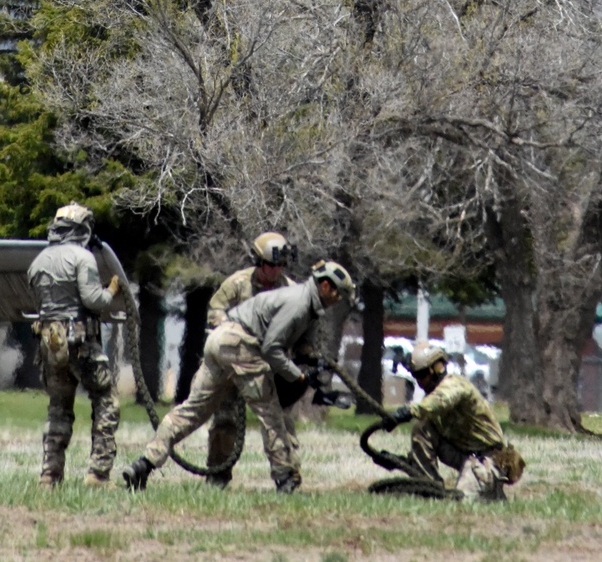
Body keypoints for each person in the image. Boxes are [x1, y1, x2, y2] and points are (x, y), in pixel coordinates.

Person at [124, 259, 356, 495]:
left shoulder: (299, 299)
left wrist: (310, 361)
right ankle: (285, 478)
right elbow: (272, 348)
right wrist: (299, 378)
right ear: (325, 286)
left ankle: (144, 464)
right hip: (241, 345)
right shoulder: (299, 303)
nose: (336, 301)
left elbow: (292, 342)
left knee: (192, 411)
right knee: (271, 414)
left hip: (219, 341)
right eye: (338, 294)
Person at [26, 202, 121, 487]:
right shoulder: (82, 257)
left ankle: (50, 474)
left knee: (58, 409)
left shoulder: (39, 261)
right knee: (106, 401)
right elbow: (94, 300)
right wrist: (112, 290)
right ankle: (98, 473)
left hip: (50, 346)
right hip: (81, 343)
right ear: (83, 229)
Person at [204, 232, 296, 488]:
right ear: (258, 261)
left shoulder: (289, 290)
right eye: (271, 265)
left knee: (279, 422)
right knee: (225, 420)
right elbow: (216, 309)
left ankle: (288, 476)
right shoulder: (237, 284)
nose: (276, 270)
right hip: (235, 362)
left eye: (280, 265)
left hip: (270, 366)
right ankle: (218, 476)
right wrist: (230, 331)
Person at [386, 343, 513, 501]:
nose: (419, 382)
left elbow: (443, 399)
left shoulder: (454, 385)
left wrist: (409, 411)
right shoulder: (433, 398)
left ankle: (490, 489)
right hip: (466, 454)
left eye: (422, 375)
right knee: (422, 429)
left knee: (459, 502)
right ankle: (429, 488)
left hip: (489, 459)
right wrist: (399, 462)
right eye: (416, 376)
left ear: (436, 369)